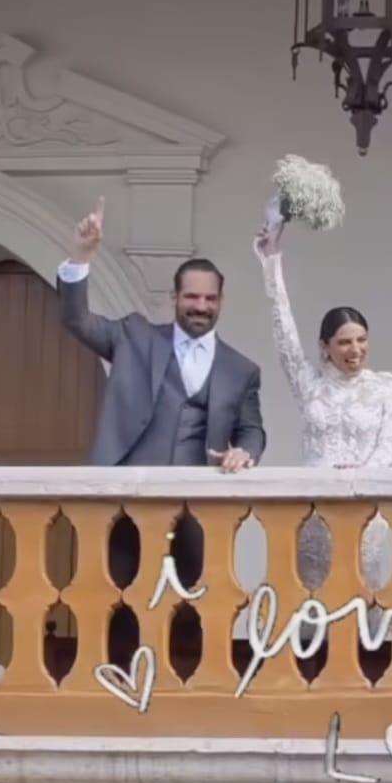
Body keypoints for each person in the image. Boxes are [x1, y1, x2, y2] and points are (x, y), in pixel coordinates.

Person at [58, 198, 266, 588]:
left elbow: (252, 430)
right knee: (118, 601)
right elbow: (76, 319)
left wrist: (245, 451)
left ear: (221, 302)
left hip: (198, 508)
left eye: (210, 299)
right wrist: (81, 255)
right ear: (174, 299)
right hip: (125, 501)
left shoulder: (241, 370)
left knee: (191, 607)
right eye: (192, 297)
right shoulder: (134, 337)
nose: (200, 306)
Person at [253, 219, 392, 594]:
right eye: (345, 342)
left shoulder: (385, 386)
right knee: (313, 600)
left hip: (365, 509)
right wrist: (272, 262)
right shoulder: (309, 383)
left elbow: (387, 448)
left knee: (361, 597)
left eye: (362, 340)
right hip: (314, 512)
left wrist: (360, 475)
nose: (355, 350)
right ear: (325, 347)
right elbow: (284, 332)